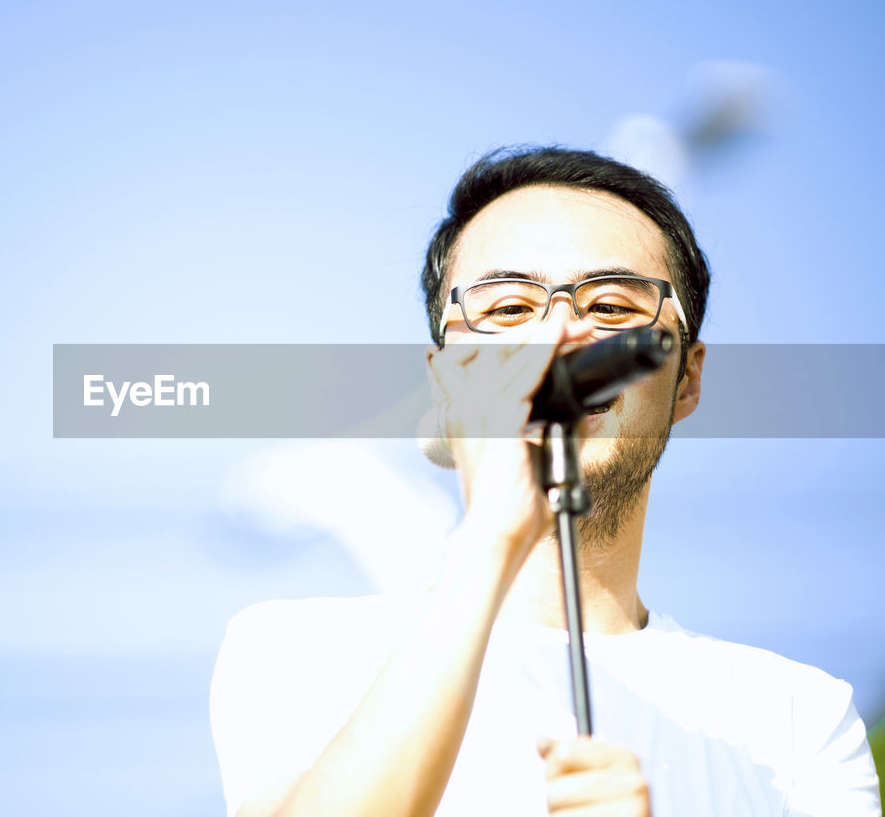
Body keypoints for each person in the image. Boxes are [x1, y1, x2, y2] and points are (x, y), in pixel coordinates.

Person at [208, 147, 881, 816]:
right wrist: (492, 533)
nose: (560, 332)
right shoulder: (299, 650)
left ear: (688, 378)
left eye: (613, 306)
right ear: (446, 382)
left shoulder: (798, 719)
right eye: (507, 308)